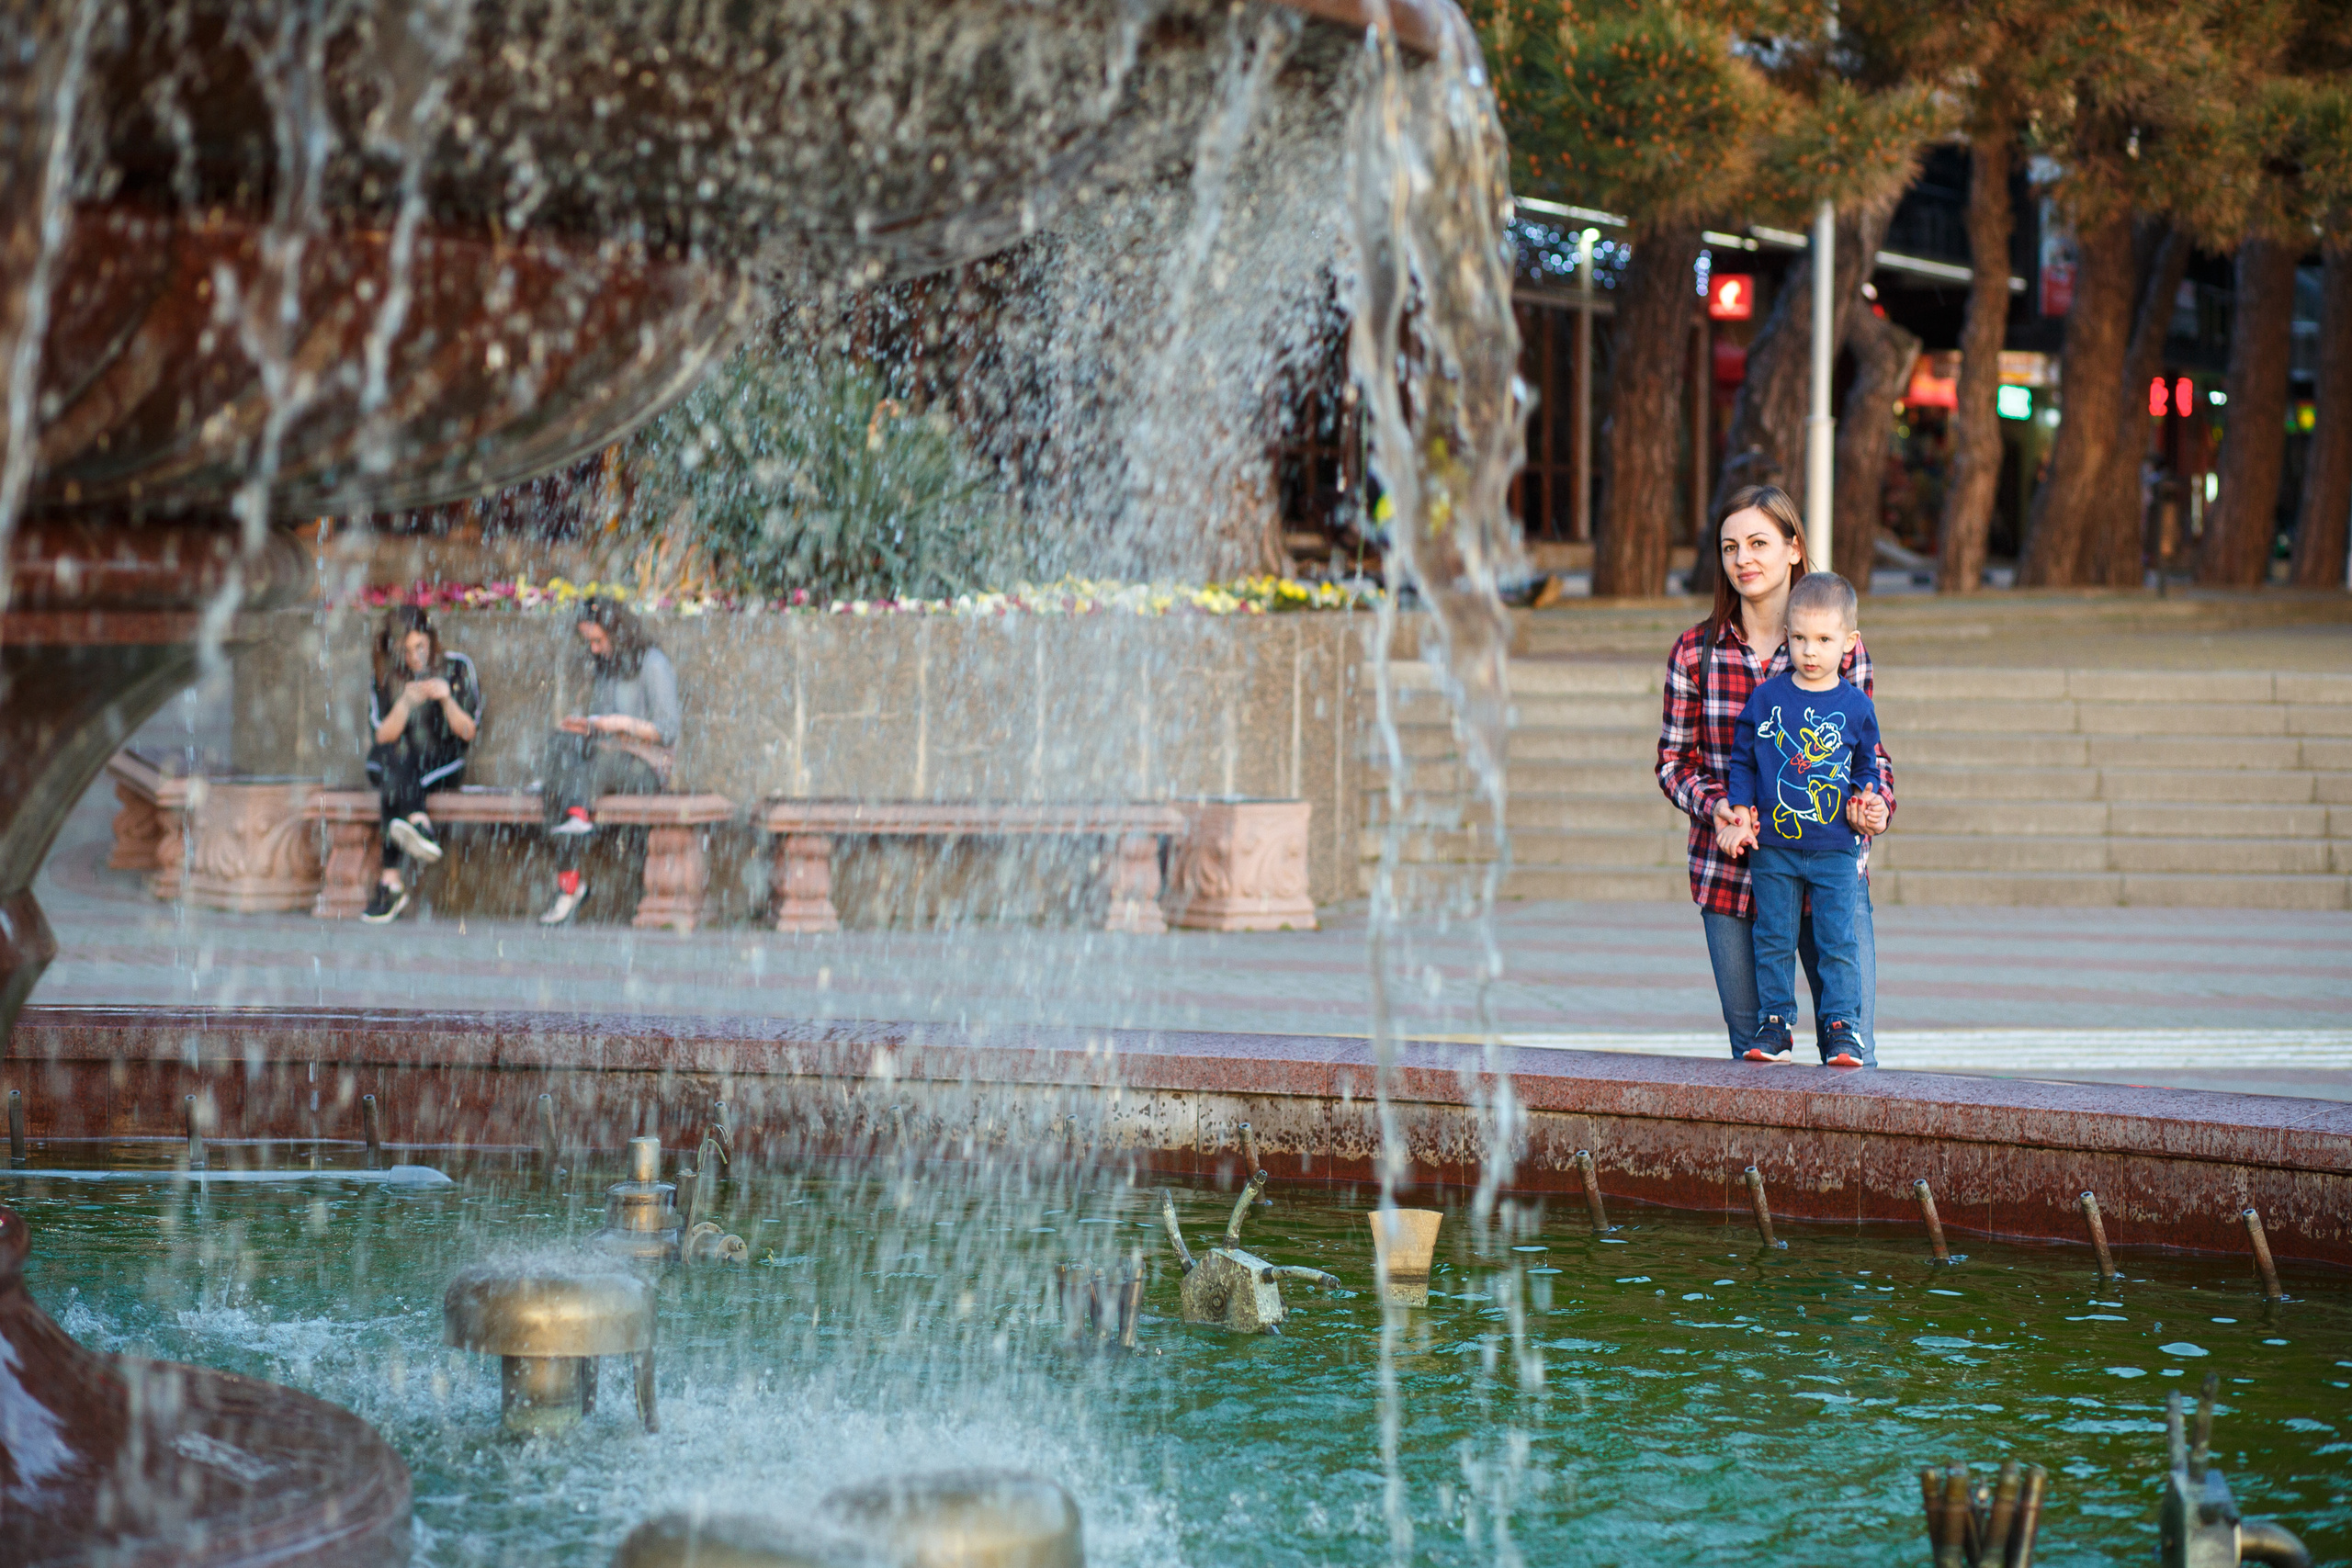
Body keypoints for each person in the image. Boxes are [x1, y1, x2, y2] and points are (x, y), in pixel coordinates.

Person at [1655, 485, 1895, 1066]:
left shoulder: (1835, 648)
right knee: (1757, 1059)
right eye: (1730, 546)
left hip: (1832, 870)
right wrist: (1717, 807)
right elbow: (1672, 762)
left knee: (1852, 1056)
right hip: (1731, 876)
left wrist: (1876, 801)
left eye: (1759, 543)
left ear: (1793, 549)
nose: (1744, 559)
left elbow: (1871, 757)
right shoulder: (1695, 653)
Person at [1722, 570, 1882, 1063]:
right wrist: (1742, 810)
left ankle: (1841, 1027)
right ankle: (1775, 1025)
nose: (1810, 651)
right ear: (1786, 636)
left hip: (1836, 849)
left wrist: (1865, 797)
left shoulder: (1856, 706)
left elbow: (1867, 765)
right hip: (1774, 850)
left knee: (1838, 941)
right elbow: (1743, 759)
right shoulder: (1767, 699)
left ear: (1849, 643)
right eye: (1799, 639)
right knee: (1772, 938)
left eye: (1824, 640)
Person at [537, 596, 680, 926]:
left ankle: (574, 826)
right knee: (560, 746)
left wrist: (619, 724)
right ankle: (571, 875)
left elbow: (668, 730)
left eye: (599, 640)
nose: (596, 649)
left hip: (643, 767)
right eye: (590, 642)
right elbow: (603, 728)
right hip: (607, 755)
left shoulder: (653, 663)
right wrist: (588, 726)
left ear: (618, 632)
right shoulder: (608, 665)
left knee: (571, 778)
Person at [362, 606, 482, 924]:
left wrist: (446, 698)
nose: (416, 657)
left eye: (421, 648)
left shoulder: (457, 667)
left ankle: (390, 882)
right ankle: (418, 823)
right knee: (394, 761)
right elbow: (382, 736)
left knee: (394, 779)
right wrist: (404, 703)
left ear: (431, 640)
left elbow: (468, 731)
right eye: (407, 651)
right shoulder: (386, 674)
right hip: (397, 762)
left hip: (442, 763)